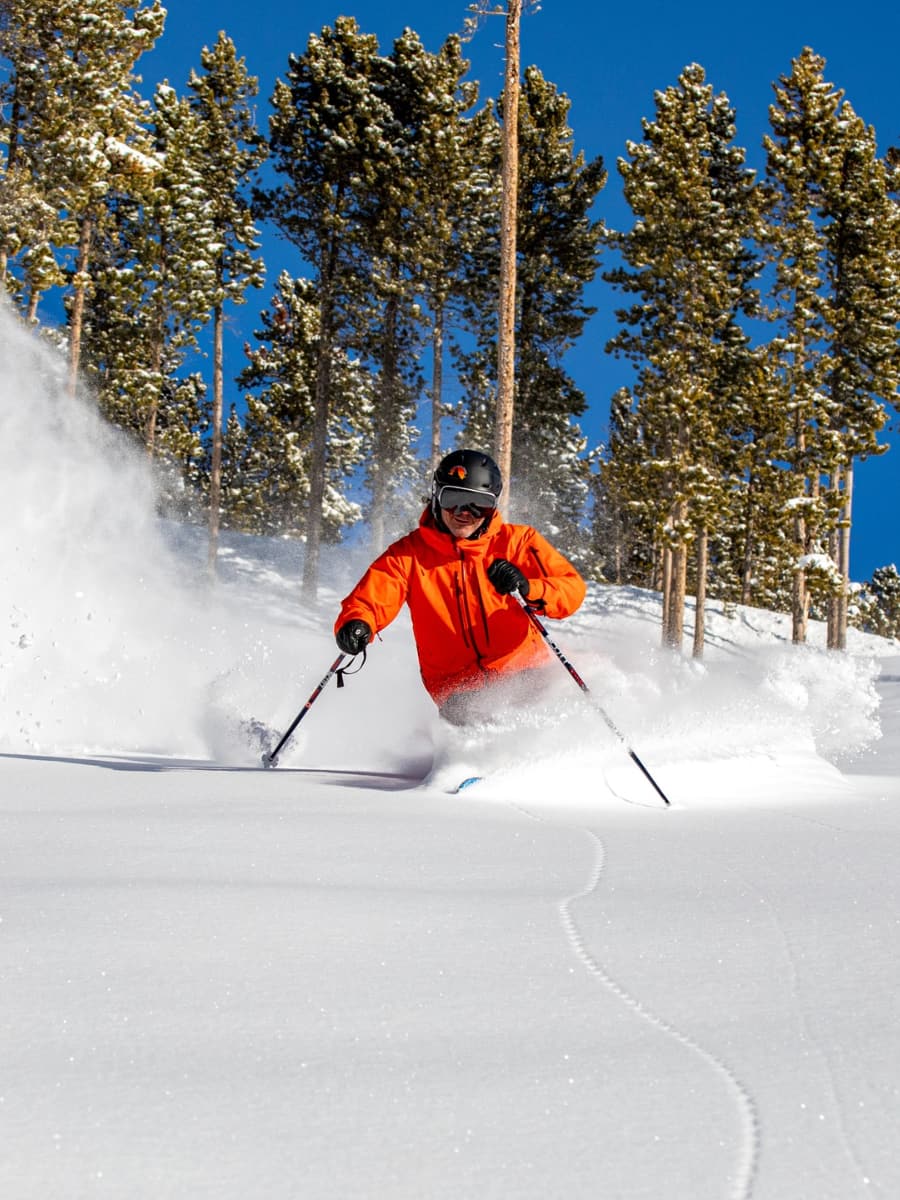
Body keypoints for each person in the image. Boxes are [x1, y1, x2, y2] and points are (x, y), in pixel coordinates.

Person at [334, 449, 587, 725]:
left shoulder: (518, 542)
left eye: (478, 504)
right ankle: (466, 767)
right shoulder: (409, 555)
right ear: (436, 496)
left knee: (549, 722)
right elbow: (372, 598)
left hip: (525, 671)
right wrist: (357, 622)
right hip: (458, 690)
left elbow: (571, 590)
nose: (464, 513)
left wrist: (529, 588)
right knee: (476, 731)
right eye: (452, 499)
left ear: (493, 506)